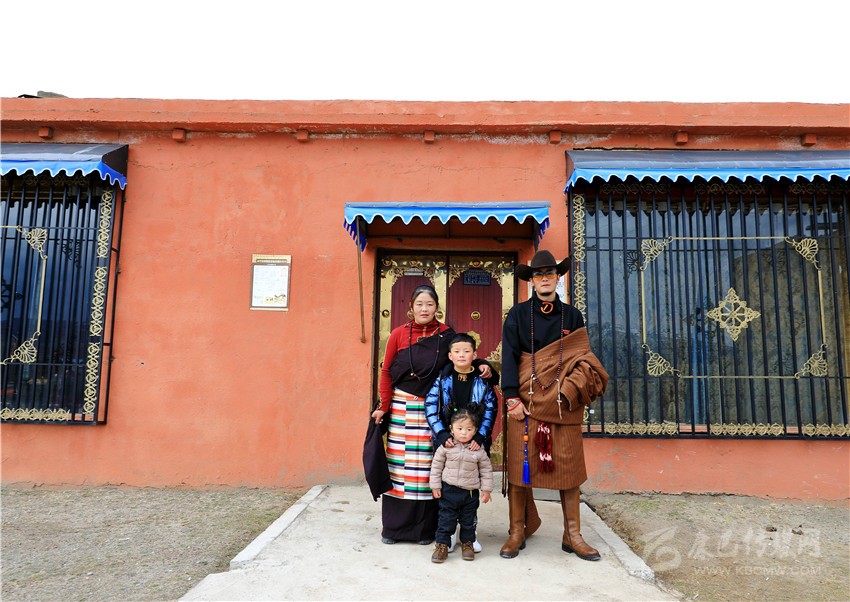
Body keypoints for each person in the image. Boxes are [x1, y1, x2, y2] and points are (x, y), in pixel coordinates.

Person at [499, 250, 609, 561]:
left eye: (550, 273)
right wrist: (511, 397)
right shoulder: (518, 314)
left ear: (558, 278)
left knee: (569, 469)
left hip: (563, 404)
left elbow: (584, 359)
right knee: (520, 469)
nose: (545, 278)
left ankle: (572, 534)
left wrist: (569, 391)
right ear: (532, 281)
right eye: (539, 274)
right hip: (525, 401)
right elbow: (509, 356)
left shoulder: (572, 316)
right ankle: (517, 531)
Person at [371, 284, 495, 545]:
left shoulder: (446, 334)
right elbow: (386, 371)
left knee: (430, 467)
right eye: (419, 304)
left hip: (432, 412)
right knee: (401, 468)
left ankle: (426, 530)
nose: (424, 309)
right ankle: (394, 528)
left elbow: (462, 355)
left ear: (437, 307)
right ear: (411, 307)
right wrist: (384, 405)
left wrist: (483, 365)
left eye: (429, 304)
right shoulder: (398, 334)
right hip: (402, 408)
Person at [424, 332, 497, 553]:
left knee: (470, 490)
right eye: (457, 351)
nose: (462, 355)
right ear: (450, 355)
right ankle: (448, 534)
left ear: (475, 354)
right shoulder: (443, 378)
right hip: (448, 441)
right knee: (448, 488)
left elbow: (490, 409)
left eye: (467, 351)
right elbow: (431, 405)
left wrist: (480, 436)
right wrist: (441, 434)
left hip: (474, 441)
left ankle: (469, 535)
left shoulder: (482, 380)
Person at [428, 406, 494, 563]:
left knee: (468, 521)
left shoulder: (478, 450)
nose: (464, 433)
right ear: (451, 429)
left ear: (475, 430)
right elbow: (436, 467)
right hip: (448, 490)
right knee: (446, 520)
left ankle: (467, 544)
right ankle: (442, 545)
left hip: (469, 493)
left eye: (469, 429)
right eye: (460, 428)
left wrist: (486, 490)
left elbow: (486, 470)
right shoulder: (446, 447)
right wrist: (435, 486)